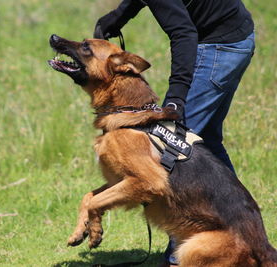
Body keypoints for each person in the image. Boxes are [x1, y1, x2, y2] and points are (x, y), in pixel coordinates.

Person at [93, 0, 255, 266]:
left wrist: (177, 96)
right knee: (207, 144)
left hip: (217, 46)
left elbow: (184, 33)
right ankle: (242, 242)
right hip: (237, 36)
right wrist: (118, 16)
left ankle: (179, 256)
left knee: (175, 149)